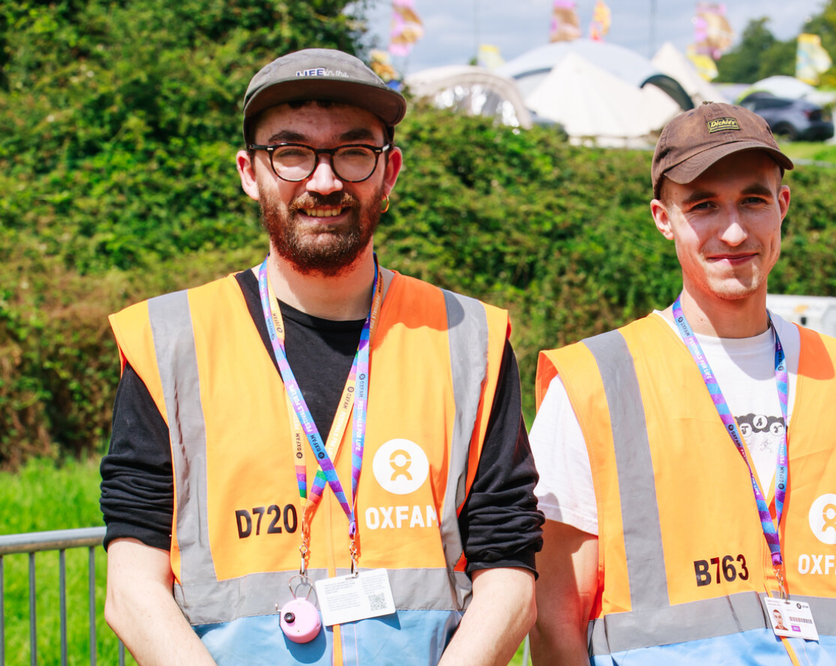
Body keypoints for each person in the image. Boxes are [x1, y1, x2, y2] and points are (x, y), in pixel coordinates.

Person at [100, 48, 543, 666]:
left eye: (353, 153)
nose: (324, 181)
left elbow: (509, 571)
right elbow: (131, 588)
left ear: (389, 173)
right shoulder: (170, 341)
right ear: (249, 172)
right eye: (291, 153)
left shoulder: (468, 338)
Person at [528, 102, 836, 665]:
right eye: (704, 206)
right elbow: (557, 607)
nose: (733, 231)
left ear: (782, 205)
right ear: (664, 218)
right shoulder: (596, 382)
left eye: (752, 200)